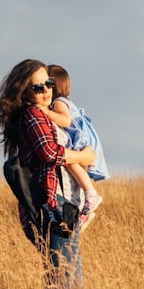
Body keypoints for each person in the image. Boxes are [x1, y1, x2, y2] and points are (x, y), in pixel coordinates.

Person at [0, 59, 96, 289]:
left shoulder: (45, 116)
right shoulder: (33, 114)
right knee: (64, 279)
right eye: (38, 87)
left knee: (64, 276)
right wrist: (83, 157)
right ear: (24, 92)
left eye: (48, 83)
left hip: (60, 205)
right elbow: (49, 152)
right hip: (52, 205)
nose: (46, 90)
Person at [44, 64, 109, 225]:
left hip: (79, 140)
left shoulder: (59, 103)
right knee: (75, 174)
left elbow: (65, 120)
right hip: (82, 138)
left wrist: (46, 112)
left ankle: (91, 195)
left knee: (71, 164)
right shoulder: (66, 100)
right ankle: (83, 213)